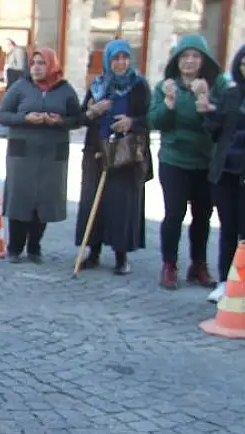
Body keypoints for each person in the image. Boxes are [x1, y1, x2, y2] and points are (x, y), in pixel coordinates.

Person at [148, 35, 224, 291]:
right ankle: (169, 264)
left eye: (195, 56)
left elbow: (223, 123)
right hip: (174, 159)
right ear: (177, 61)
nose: (190, 61)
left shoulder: (216, 87)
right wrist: (168, 104)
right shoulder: (165, 86)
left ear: (204, 60)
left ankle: (198, 265)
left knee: (203, 215)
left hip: (205, 160)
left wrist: (207, 105)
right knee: (173, 214)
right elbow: (155, 121)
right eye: (185, 57)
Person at [75, 39, 152, 275]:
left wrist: (132, 122)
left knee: (121, 203)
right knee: (94, 202)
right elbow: (81, 118)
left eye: (124, 58)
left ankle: (121, 256)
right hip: (96, 151)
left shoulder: (139, 86)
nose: (121, 63)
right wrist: (93, 111)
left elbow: (150, 118)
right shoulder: (98, 85)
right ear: (108, 61)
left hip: (125, 153)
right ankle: (93, 251)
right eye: (116, 58)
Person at [0, 48, 81, 263]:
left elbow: (77, 119)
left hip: (52, 153)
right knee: (20, 198)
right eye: (33, 63)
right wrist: (25, 118)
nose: (36, 67)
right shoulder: (20, 87)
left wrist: (59, 121)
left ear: (52, 65)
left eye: (42, 63)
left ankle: (35, 247)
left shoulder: (65, 90)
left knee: (44, 201)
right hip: (22, 153)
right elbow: (3, 115)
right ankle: (15, 247)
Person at [202, 39, 245, 300]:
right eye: (244, 64)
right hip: (225, 171)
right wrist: (207, 114)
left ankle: (242, 283)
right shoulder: (232, 94)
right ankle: (224, 280)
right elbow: (217, 130)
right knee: (228, 228)